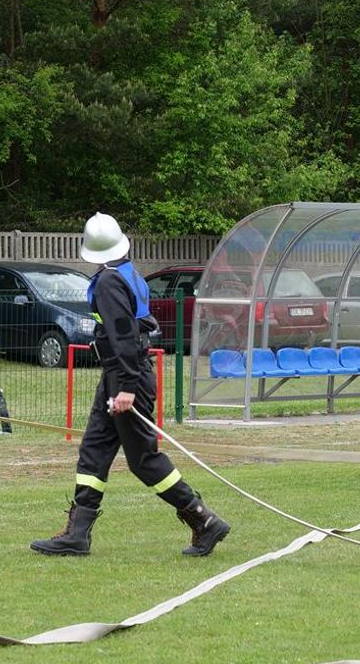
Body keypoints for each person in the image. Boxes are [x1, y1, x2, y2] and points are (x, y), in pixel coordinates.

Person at [30, 212, 230, 558]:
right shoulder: (127, 273)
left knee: (143, 460)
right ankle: (77, 534)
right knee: (94, 450)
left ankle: (203, 519)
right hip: (118, 374)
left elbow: (123, 335)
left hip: (126, 376)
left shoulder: (108, 282)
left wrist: (125, 387)